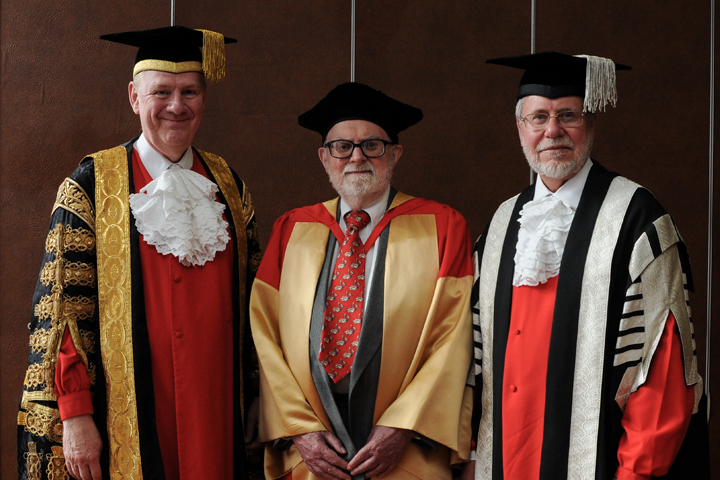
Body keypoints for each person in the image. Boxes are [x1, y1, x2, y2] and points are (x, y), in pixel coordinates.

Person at [17, 26, 262, 480]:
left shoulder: (229, 185)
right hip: (127, 411)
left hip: (216, 411)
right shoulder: (91, 183)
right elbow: (62, 310)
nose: (176, 105)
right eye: (161, 92)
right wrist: (74, 414)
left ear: (204, 99)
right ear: (134, 96)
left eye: (189, 91)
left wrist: (257, 394)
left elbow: (256, 307)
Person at [468, 51, 709, 480]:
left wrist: (635, 474)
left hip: (599, 465)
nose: (552, 131)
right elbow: (474, 361)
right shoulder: (502, 225)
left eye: (569, 115)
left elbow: (663, 374)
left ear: (591, 123)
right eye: (538, 118)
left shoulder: (637, 220)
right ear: (520, 129)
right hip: (503, 461)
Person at [250, 82, 473, 480]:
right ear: (324, 157)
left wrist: (403, 425)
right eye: (342, 147)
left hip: (407, 451)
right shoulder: (292, 229)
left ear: (395, 154)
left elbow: (453, 335)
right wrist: (301, 430)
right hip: (312, 454)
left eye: (372, 145)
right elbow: (266, 337)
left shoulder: (442, 226)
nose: (356, 157)